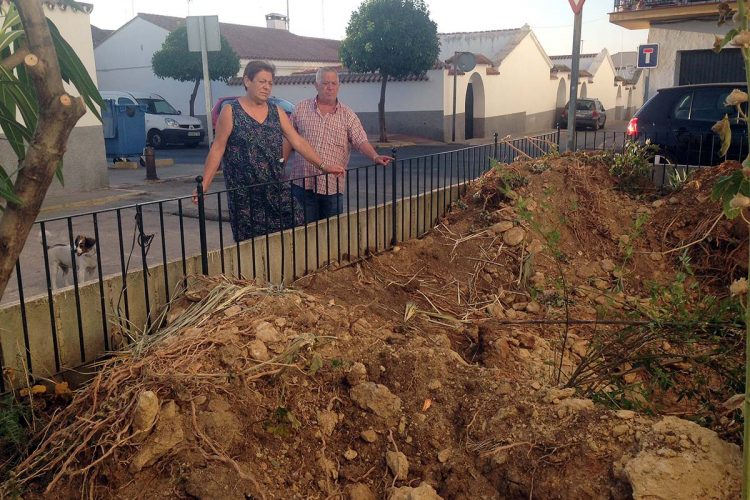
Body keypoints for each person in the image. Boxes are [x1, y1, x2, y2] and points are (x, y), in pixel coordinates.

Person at [194, 61, 344, 242]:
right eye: (262, 81)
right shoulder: (230, 111)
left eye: (270, 83)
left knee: (295, 222)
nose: (266, 87)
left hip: (274, 187)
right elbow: (217, 149)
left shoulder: (276, 111)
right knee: (251, 244)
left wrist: (323, 165)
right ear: (247, 81)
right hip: (244, 194)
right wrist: (205, 184)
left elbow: (297, 141)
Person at [285, 67, 393, 223]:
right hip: (302, 183)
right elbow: (289, 138)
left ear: (339, 86)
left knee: (331, 234)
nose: (330, 87)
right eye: (325, 83)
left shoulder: (347, 114)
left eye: (333, 83)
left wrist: (374, 156)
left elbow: (360, 140)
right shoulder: (300, 109)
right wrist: (280, 165)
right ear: (316, 85)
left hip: (332, 185)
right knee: (303, 234)